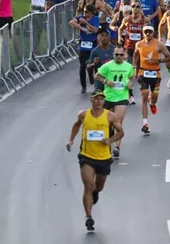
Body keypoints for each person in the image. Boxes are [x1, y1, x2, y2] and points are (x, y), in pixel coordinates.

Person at [65, 90, 125, 232]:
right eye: (96, 99)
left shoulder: (110, 116)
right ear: (91, 100)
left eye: (101, 99)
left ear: (104, 101)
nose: (99, 102)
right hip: (86, 156)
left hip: (104, 157)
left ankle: (96, 192)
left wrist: (109, 140)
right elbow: (76, 125)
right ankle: (89, 217)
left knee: (98, 186)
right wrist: (71, 140)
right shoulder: (83, 114)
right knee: (88, 186)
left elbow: (121, 132)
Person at [94, 46, 134, 158]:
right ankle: (108, 144)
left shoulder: (129, 66)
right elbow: (97, 76)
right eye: (117, 54)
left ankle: (117, 147)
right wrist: (105, 81)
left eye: (121, 55)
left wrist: (130, 84)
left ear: (124, 55)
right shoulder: (107, 66)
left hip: (122, 97)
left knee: (118, 121)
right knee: (108, 123)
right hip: (108, 97)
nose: (119, 57)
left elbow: (131, 78)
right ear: (113, 55)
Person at [133, 25, 170, 134]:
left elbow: (169, 57)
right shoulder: (139, 44)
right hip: (143, 72)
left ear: (153, 33)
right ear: (143, 33)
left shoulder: (159, 44)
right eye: (146, 32)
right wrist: (135, 67)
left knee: (154, 98)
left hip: (156, 74)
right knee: (144, 96)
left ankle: (152, 102)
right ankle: (145, 123)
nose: (148, 34)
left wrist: (157, 61)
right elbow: (135, 55)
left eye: (150, 32)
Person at [70, 4, 101, 93]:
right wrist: (82, 28)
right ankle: (83, 86)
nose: (84, 13)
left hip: (93, 47)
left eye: (86, 12)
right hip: (83, 47)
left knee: (93, 65)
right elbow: (72, 22)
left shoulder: (95, 19)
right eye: (83, 11)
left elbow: (95, 30)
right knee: (82, 66)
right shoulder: (81, 17)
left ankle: (95, 81)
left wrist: (86, 23)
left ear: (91, 12)